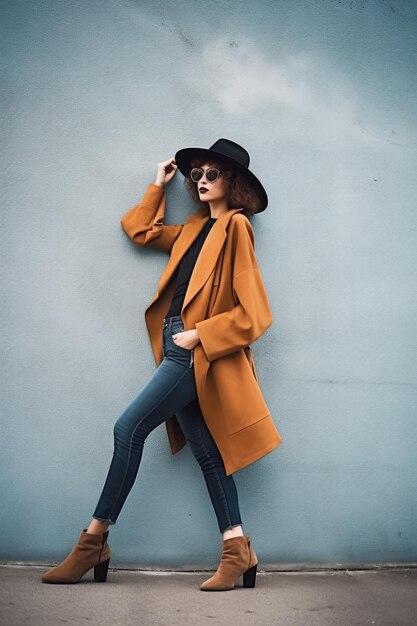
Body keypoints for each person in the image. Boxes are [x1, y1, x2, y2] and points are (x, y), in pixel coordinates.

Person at [41, 138, 282, 591]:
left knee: (127, 429)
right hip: (178, 346)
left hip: (194, 349)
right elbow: (139, 230)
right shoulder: (193, 229)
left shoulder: (236, 228)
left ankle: (94, 541)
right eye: (199, 174)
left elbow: (256, 313)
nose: (204, 180)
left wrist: (200, 334)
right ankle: (239, 550)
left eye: (213, 174)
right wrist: (157, 185)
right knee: (209, 455)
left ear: (234, 183)